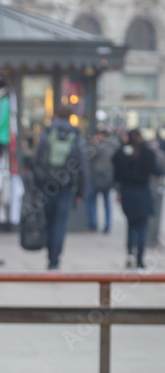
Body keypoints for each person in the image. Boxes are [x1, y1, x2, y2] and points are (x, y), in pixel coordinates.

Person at [34, 104, 88, 270]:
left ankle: (49, 253)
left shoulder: (48, 132)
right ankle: (54, 260)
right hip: (65, 187)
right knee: (59, 223)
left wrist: (35, 186)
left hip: (45, 185)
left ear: (56, 115)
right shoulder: (76, 134)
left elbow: (36, 160)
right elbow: (83, 166)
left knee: (48, 220)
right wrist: (81, 191)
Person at [112, 129, 163, 269]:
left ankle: (129, 253)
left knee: (131, 226)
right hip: (142, 193)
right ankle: (140, 259)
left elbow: (115, 168)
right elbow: (158, 170)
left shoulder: (123, 153)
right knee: (142, 228)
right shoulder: (146, 152)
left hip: (128, 193)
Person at [86, 128, 120, 233]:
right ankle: (107, 226)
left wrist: (94, 143)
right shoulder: (114, 145)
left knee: (90, 201)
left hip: (97, 176)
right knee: (107, 203)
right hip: (108, 177)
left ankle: (93, 224)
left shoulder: (100, 145)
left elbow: (89, 155)